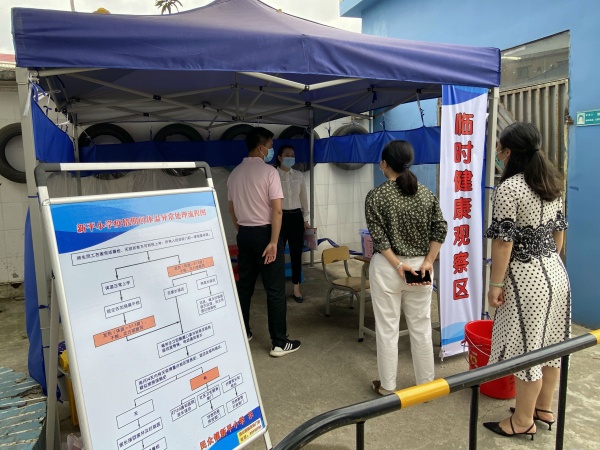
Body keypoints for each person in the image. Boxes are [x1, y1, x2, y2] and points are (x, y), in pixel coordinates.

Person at [483, 122, 570, 439]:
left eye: (499, 148)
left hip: (526, 280)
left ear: (508, 152)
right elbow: (559, 232)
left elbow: (503, 243)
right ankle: (543, 409)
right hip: (556, 274)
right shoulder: (552, 181)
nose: (497, 153)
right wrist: (548, 260)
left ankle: (522, 421)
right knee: (552, 344)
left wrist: (495, 285)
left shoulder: (510, 188)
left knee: (527, 350)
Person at [365, 140, 447, 394]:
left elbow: (379, 238)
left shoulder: (376, 196)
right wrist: (428, 261)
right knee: (421, 327)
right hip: (421, 267)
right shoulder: (425, 193)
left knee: (387, 328)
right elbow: (440, 228)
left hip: (389, 268)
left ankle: (388, 387)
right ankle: (426, 384)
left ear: (384, 164)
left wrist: (399, 265)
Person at [227, 127, 301, 357]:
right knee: (275, 289)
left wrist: (242, 230)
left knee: (245, 286)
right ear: (261, 148)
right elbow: (277, 211)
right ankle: (279, 342)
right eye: (270, 147)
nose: (271, 150)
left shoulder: (234, 174)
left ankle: (244, 332)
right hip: (266, 234)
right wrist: (273, 241)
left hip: (244, 234)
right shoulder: (270, 173)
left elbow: (231, 209)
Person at [275, 145, 310, 302]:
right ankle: (278, 288)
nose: (290, 157)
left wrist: (305, 219)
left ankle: (296, 288)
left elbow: (304, 198)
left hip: (296, 216)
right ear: (279, 157)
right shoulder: (273, 175)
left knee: (296, 254)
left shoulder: (299, 175)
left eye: (292, 155)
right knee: (278, 254)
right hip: (279, 217)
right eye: (287, 155)